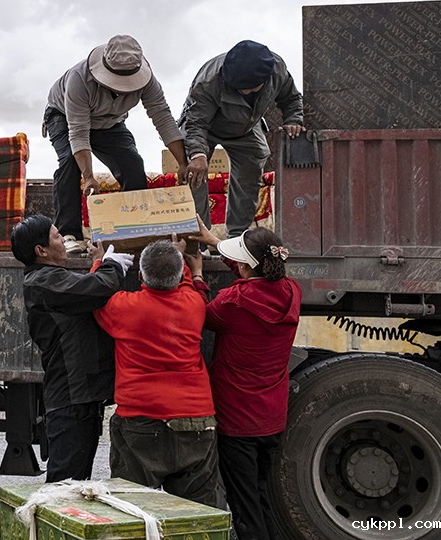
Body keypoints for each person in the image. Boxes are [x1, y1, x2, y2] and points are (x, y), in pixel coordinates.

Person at [185, 220, 301, 540]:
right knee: (260, 496)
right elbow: (254, 275)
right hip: (271, 417)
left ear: (246, 267)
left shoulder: (234, 301)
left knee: (244, 508)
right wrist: (213, 241)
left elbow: (200, 315)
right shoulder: (291, 291)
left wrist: (197, 276)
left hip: (237, 420)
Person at [92, 238, 218, 506]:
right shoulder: (194, 305)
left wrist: (98, 263)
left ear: (140, 276)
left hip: (140, 417)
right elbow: (188, 287)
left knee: (133, 510)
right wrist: (188, 266)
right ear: (178, 276)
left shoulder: (124, 307)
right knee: (196, 513)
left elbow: (95, 294)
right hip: (194, 418)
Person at [10, 214, 133, 482]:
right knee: (65, 486)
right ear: (41, 250)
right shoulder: (43, 282)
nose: (63, 242)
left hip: (79, 397)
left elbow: (85, 289)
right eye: (57, 237)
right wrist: (111, 266)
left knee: (75, 482)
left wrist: (101, 263)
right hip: (71, 398)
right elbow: (97, 287)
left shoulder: (51, 278)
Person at [44, 35, 188, 254]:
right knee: (69, 162)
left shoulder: (148, 80)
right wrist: (89, 176)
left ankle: (134, 228)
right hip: (64, 117)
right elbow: (78, 132)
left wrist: (183, 162)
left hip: (110, 123)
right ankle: (68, 233)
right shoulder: (79, 79)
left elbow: (163, 118)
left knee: (132, 163)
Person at [179, 40, 305, 238]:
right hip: (205, 128)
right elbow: (195, 123)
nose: (239, 90)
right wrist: (197, 154)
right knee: (194, 173)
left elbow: (291, 98)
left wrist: (293, 120)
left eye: (244, 88)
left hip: (245, 127)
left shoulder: (277, 70)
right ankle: (199, 237)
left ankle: (237, 236)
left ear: (263, 81)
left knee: (252, 166)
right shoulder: (208, 81)